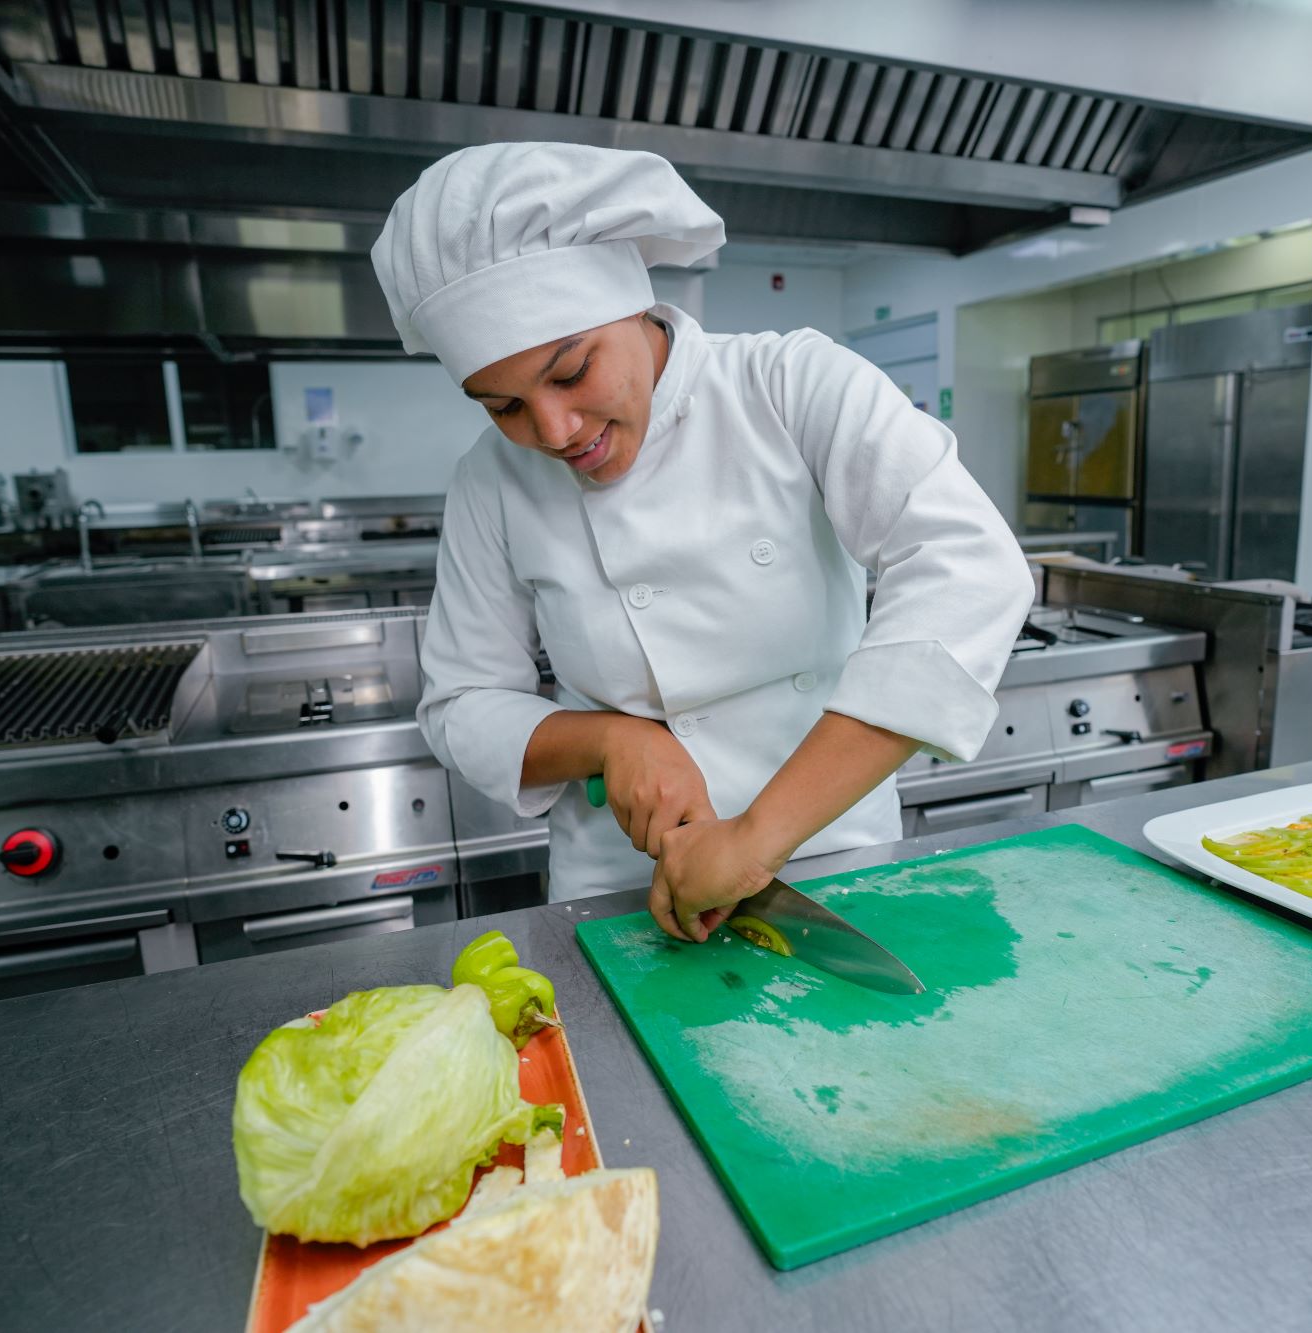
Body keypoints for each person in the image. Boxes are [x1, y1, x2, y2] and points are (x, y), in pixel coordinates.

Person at [373, 142, 1033, 943]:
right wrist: (610, 740)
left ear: (633, 305)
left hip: (830, 857)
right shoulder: (490, 480)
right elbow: (461, 703)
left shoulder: (789, 383)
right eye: (503, 406)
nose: (553, 430)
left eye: (571, 372)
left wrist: (756, 838)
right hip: (621, 887)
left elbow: (969, 567)